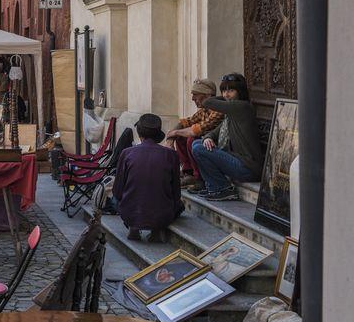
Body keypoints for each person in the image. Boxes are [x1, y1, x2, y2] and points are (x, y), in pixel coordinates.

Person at [190, 73, 263, 201]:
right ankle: (216, 186)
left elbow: (208, 101)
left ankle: (221, 187)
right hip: (237, 162)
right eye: (223, 90)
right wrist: (208, 138)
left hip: (248, 168)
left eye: (231, 90)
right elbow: (214, 133)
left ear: (240, 91)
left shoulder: (242, 107)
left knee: (199, 148)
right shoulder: (231, 114)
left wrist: (223, 97)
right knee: (197, 144)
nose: (226, 94)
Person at [112, 114, 183, 242]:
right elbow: (176, 193)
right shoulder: (171, 155)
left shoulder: (127, 153)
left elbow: (117, 191)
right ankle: (156, 229)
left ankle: (134, 226)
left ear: (139, 133)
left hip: (129, 213)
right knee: (179, 206)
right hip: (162, 214)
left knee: (115, 200)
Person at [165, 79, 224, 186]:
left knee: (192, 140)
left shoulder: (218, 110)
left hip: (217, 146)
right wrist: (170, 141)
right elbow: (184, 123)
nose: (193, 98)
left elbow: (195, 131)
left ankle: (199, 178)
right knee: (182, 137)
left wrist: (175, 132)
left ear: (207, 95)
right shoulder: (203, 111)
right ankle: (189, 173)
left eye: (196, 95)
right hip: (206, 143)